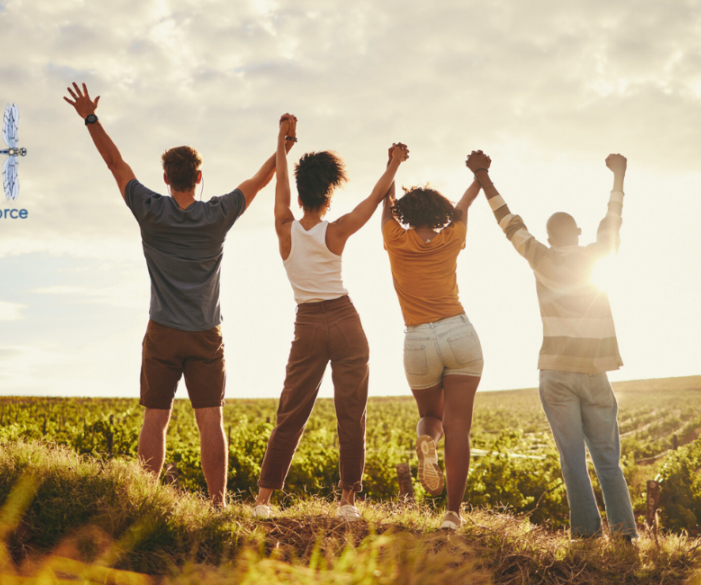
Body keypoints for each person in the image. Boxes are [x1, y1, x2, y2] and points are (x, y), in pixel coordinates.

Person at [63, 82, 290, 506]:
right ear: (199, 178)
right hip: (206, 333)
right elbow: (260, 181)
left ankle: (148, 499)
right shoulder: (217, 215)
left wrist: (90, 118)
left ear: (166, 178)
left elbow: (116, 163)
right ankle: (218, 502)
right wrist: (283, 145)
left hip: (163, 331)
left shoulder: (149, 209)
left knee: (155, 418)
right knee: (210, 420)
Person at [470, 149, 637, 540]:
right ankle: (626, 536)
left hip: (556, 374)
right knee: (608, 461)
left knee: (572, 461)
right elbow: (613, 220)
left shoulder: (540, 257)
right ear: (579, 235)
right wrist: (618, 176)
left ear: (548, 238)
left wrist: (482, 175)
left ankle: (586, 536)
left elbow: (507, 221)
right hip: (595, 374)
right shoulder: (597, 255)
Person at [254, 114, 409, 522]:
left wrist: (281, 141)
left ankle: (263, 501)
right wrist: (393, 165)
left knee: (290, 412)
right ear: (327, 195)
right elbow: (373, 201)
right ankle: (347, 502)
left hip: (306, 325)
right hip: (344, 321)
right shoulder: (335, 231)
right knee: (350, 413)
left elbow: (280, 188)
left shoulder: (284, 228)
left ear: (301, 196)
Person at [381, 161, 485, 531]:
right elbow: (463, 208)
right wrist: (478, 175)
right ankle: (453, 515)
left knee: (433, 417)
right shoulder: (451, 236)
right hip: (459, 333)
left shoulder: (394, 237)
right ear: (440, 214)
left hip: (419, 339)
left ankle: (427, 440)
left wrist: (392, 164)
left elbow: (386, 199)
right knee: (459, 429)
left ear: (404, 215)